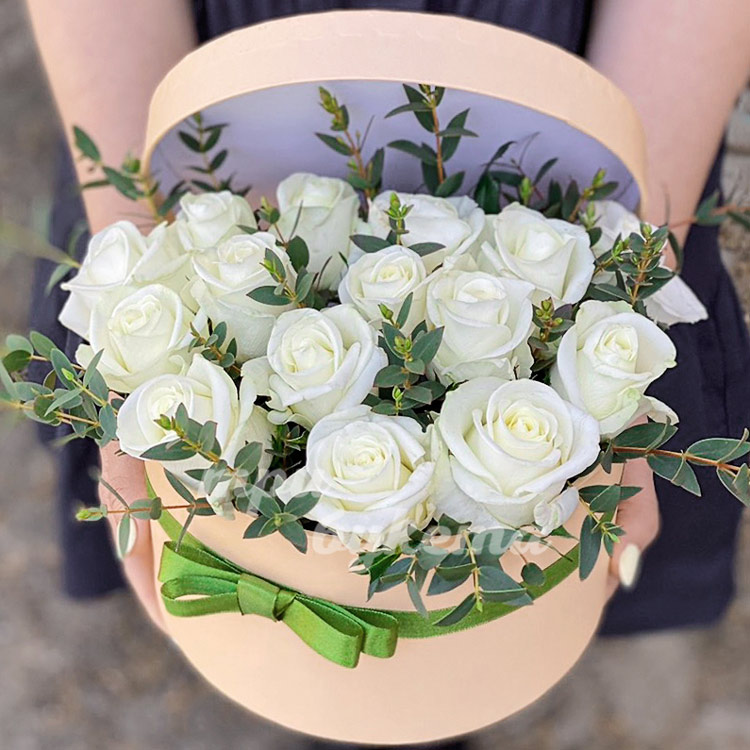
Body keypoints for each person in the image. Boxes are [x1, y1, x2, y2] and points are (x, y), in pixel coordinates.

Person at [25, 1, 750, 748]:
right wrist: (145, 283)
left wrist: (622, 292)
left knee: (477, 642)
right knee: (309, 638)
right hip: (193, 118)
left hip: (592, 117)